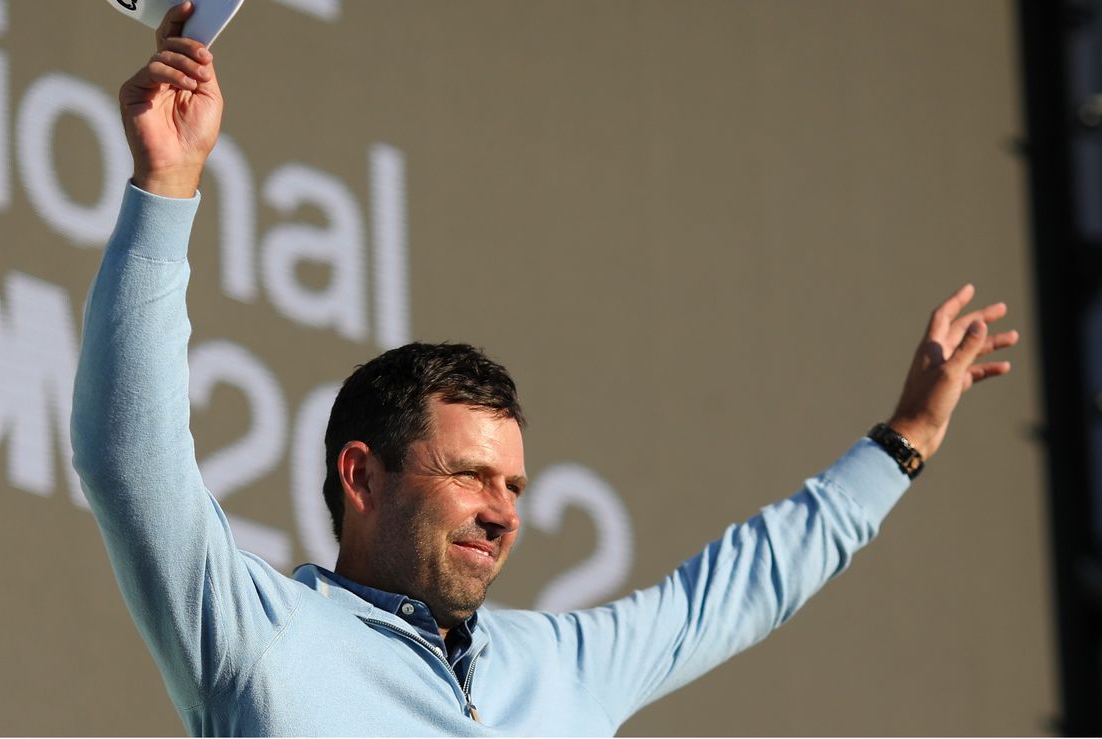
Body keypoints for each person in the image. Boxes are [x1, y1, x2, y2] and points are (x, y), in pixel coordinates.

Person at [70, 5, 1020, 735]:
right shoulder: (257, 631)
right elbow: (130, 457)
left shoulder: (560, 663)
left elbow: (741, 585)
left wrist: (906, 439)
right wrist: (167, 186)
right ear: (361, 475)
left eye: (515, 483)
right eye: (471, 474)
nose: (504, 509)